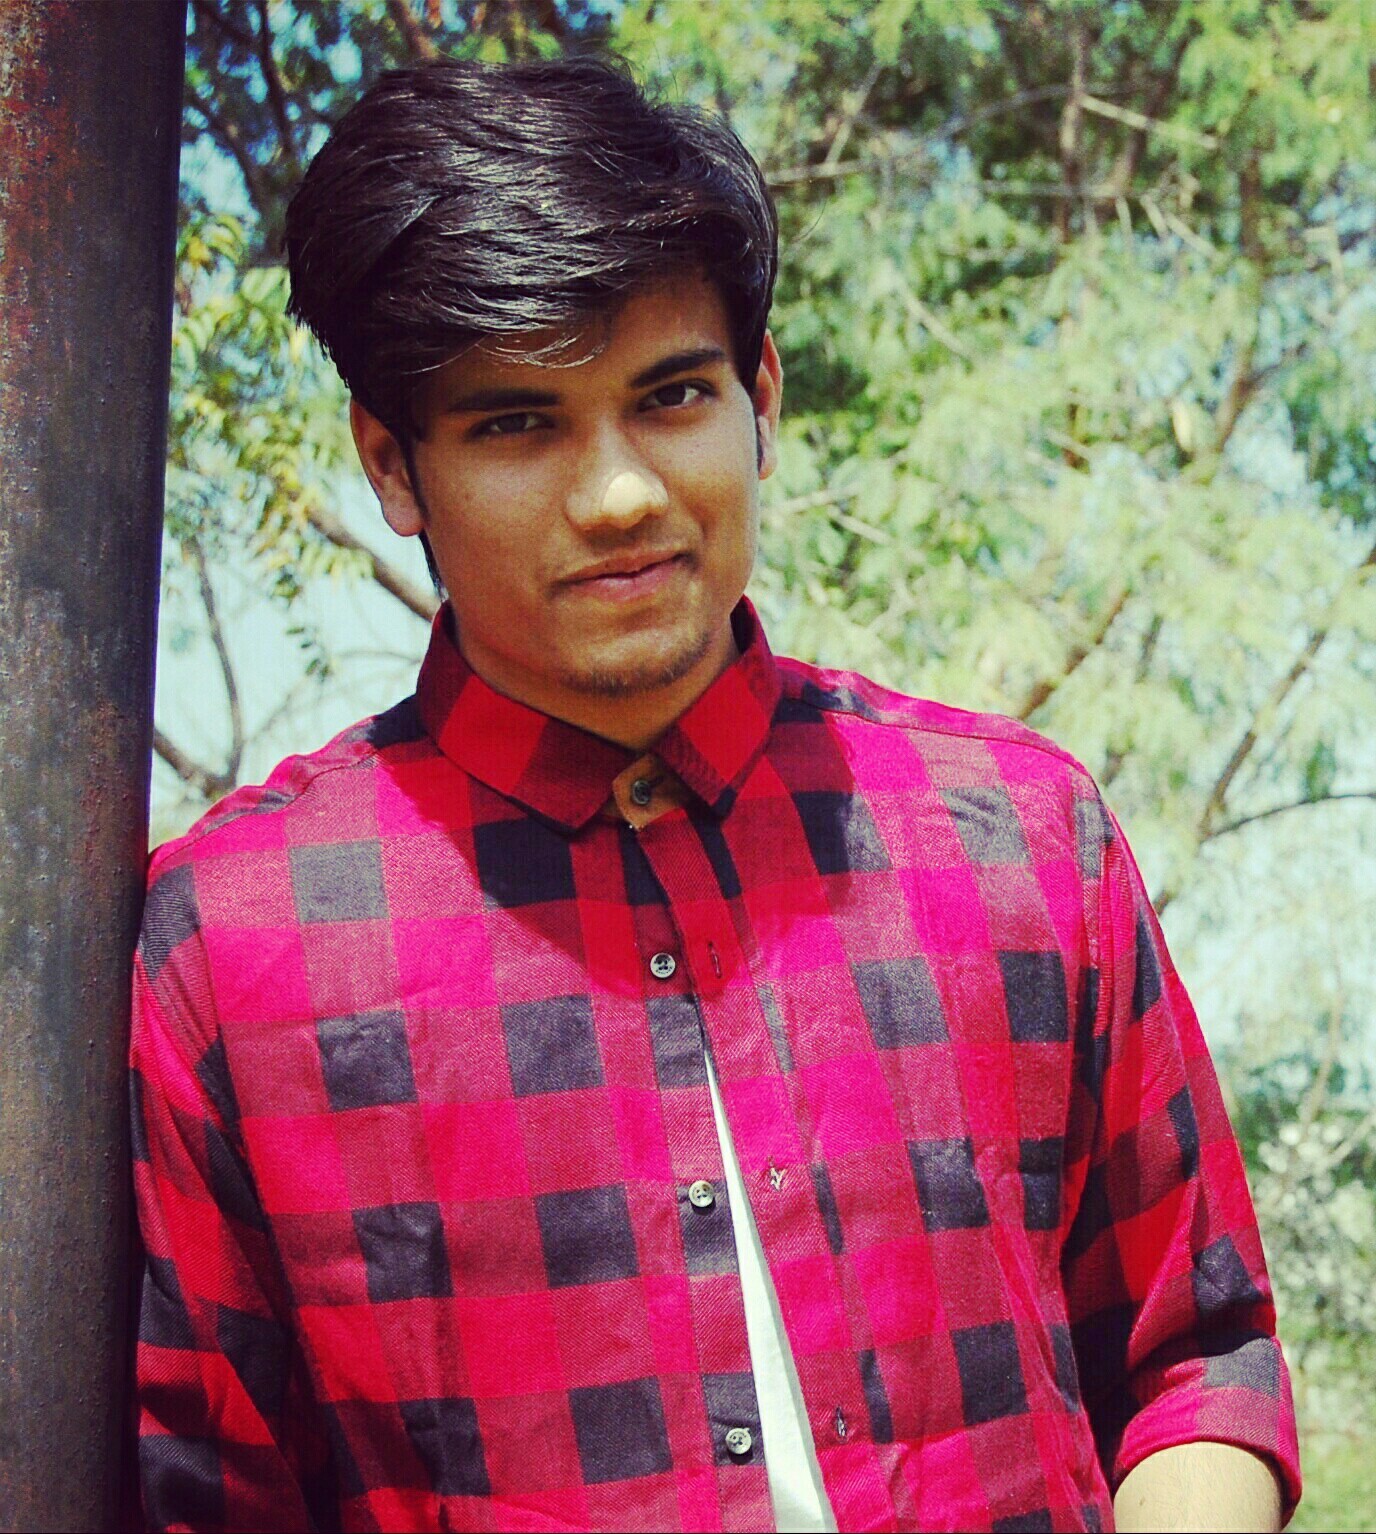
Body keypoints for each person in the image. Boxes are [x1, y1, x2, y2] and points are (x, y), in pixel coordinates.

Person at [130, 54, 1297, 1534]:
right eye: (517, 424)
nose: (620, 493)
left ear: (762, 400)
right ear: (392, 466)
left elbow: (1196, 1357)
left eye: (671, 396)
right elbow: (199, 1491)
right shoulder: (236, 947)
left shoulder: (1018, 836)